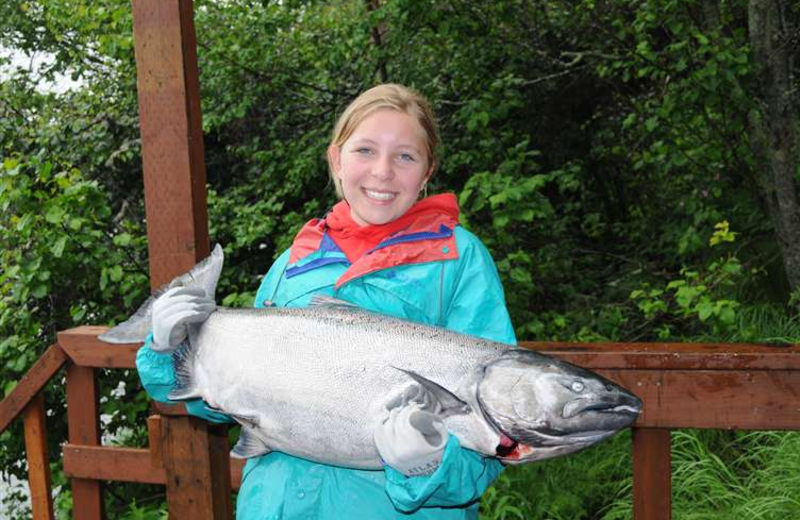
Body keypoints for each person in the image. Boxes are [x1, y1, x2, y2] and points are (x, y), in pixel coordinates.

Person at [136, 83, 517, 519]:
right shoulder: (293, 260)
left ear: (427, 172)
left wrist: (430, 465)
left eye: (405, 156)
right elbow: (227, 403)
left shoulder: (460, 260)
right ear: (337, 159)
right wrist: (172, 349)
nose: (383, 171)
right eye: (365, 150)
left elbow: (499, 424)